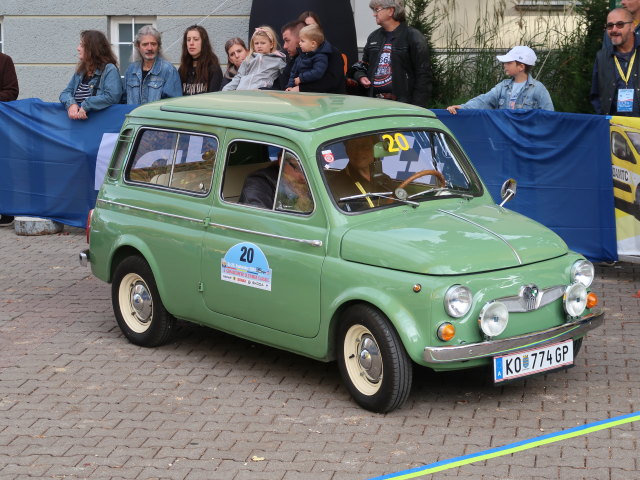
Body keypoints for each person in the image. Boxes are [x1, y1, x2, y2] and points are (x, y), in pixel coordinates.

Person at [351, 0, 432, 106]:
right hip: (373, 103)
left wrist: (416, 107)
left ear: (390, 11)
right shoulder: (373, 37)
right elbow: (363, 65)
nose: (374, 14)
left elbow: (423, 75)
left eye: (377, 9)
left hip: (402, 104)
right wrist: (361, 76)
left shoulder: (413, 36)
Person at [446, 46, 554, 114]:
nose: (504, 65)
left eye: (509, 63)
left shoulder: (538, 88)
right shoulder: (503, 86)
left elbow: (549, 116)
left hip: (527, 139)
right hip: (505, 136)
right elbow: (484, 100)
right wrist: (463, 107)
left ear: (521, 67)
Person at [59, 30, 122, 120]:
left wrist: (86, 105)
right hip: (78, 126)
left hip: (100, 124)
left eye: (82, 45)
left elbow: (112, 97)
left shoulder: (109, 69)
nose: (78, 48)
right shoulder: (81, 71)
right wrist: (71, 104)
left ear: (92, 48)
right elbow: (65, 93)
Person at [591, 8, 640, 116]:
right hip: (615, 129)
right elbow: (596, 96)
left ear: (632, 26)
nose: (614, 30)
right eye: (610, 26)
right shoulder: (602, 57)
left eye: (620, 24)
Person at [278, 19, 345, 93]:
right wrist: (289, 87)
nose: (284, 46)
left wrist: (301, 88)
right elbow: (285, 85)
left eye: (287, 40)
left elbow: (331, 81)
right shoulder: (298, 57)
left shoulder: (331, 53)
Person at [330, 135, 395, 211]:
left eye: (365, 146)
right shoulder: (334, 185)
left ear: (375, 150)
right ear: (347, 150)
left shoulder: (385, 180)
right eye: (353, 146)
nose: (359, 151)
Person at [124, 25, 182, 105]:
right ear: (138, 46)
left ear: (158, 46)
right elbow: (124, 101)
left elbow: (174, 104)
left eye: (153, 44)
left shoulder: (168, 70)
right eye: (145, 44)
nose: (150, 48)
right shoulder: (131, 70)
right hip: (135, 117)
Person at [222, 26, 286, 91]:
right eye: (256, 43)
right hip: (241, 92)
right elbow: (238, 77)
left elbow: (286, 75)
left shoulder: (278, 60)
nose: (259, 46)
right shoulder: (249, 59)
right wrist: (225, 89)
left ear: (271, 44)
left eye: (263, 43)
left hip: (260, 93)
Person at [0, 52, 19, 227]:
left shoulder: (4, 60)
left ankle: (6, 211)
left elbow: (11, 92)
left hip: (1, 126)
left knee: (2, 167)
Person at [179, 25, 223, 95]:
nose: (191, 43)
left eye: (196, 39)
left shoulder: (213, 69)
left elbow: (214, 98)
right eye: (188, 40)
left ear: (204, 43)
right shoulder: (183, 69)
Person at [286, 24, 332, 91]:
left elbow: (317, 72)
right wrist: (290, 86)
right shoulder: (300, 56)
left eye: (302, 41)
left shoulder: (321, 57)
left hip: (312, 92)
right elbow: (293, 73)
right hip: (298, 91)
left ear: (313, 44)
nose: (299, 43)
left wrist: (301, 78)